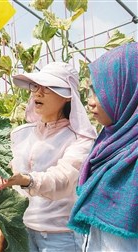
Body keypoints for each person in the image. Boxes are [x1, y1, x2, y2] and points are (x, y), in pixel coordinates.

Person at [0, 62, 97, 252]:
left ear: (67, 96)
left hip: (61, 238)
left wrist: (27, 180)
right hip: (23, 234)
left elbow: (62, 180)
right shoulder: (20, 134)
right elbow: (0, 173)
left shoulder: (81, 139)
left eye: (48, 88)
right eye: (36, 86)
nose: (38, 93)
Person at [68, 43, 138, 251]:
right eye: (90, 91)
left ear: (129, 91)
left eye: (99, 91)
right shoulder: (109, 143)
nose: (90, 102)